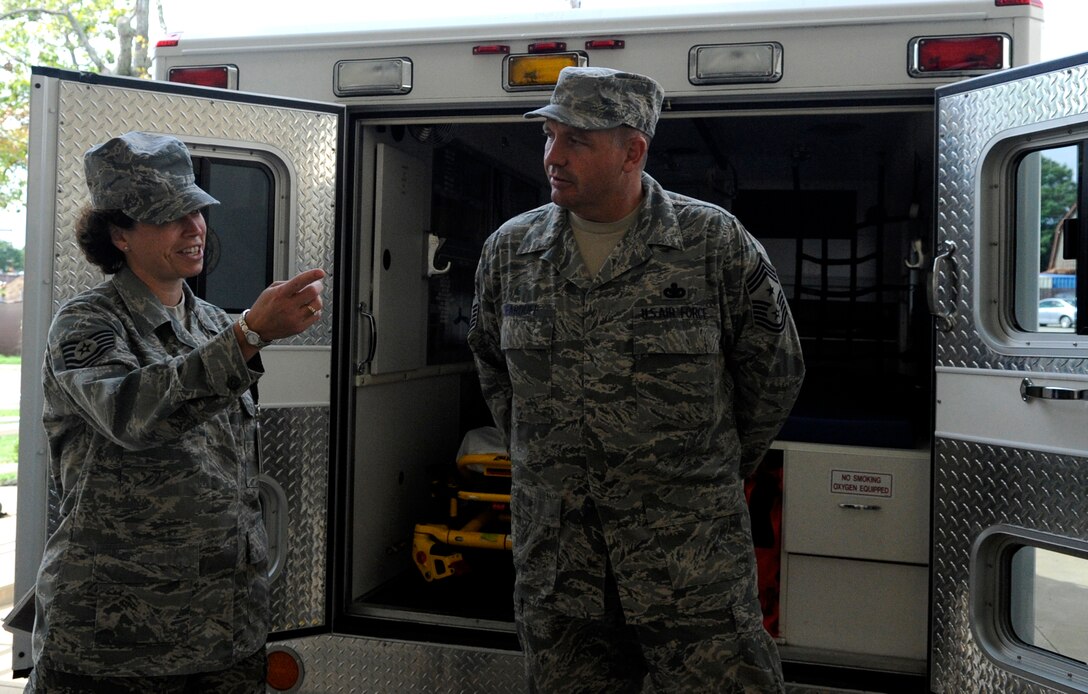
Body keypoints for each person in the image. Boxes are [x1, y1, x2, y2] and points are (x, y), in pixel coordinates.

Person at [467, 67, 805, 693]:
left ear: (633, 150)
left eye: (577, 141)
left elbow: (774, 370)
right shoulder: (511, 251)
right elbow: (494, 367)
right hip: (563, 567)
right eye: (549, 135)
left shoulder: (711, 242)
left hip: (689, 560)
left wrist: (712, 470)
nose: (553, 157)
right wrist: (548, 462)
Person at [24, 131, 325, 693]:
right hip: (118, 644)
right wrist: (251, 335)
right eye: (170, 217)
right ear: (118, 234)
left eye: (197, 210)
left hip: (224, 635)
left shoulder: (211, 323)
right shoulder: (88, 323)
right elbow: (134, 415)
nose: (194, 228)